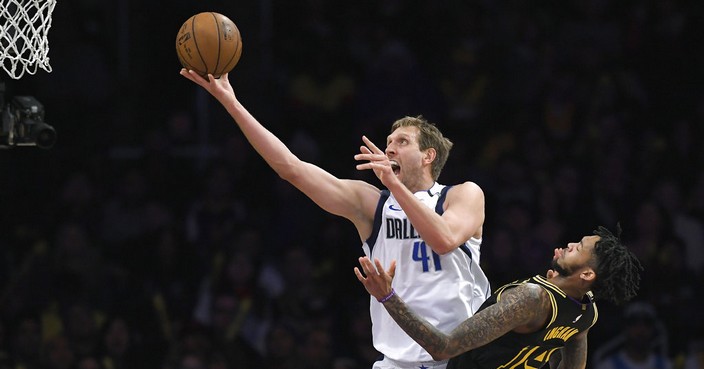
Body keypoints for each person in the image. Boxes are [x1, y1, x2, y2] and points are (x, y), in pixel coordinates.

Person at [180, 70, 491, 369]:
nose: (389, 149)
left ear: (429, 156)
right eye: (388, 142)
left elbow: (444, 240)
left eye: (402, 142)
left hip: (461, 360)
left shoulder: (462, 195)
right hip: (398, 363)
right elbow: (291, 168)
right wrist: (230, 102)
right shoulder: (372, 204)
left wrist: (395, 184)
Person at [354, 225, 643, 369]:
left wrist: (387, 296)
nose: (569, 245)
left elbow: (442, 347)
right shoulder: (586, 311)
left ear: (587, 275)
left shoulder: (531, 299)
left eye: (578, 247)